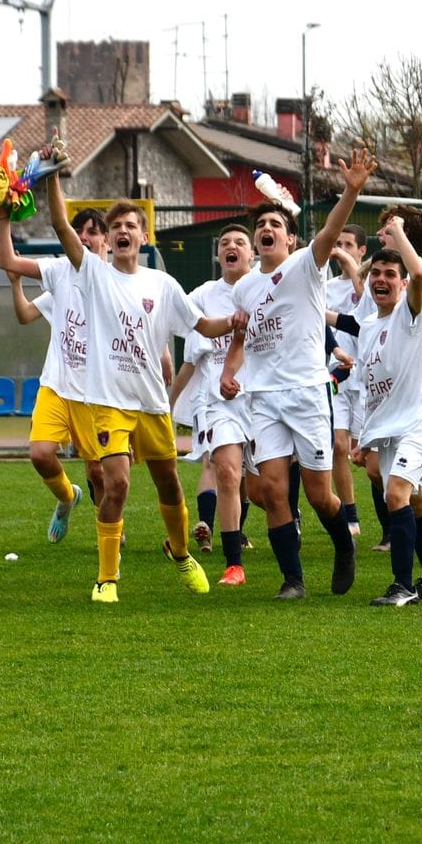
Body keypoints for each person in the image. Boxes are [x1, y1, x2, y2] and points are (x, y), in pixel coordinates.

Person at [45, 178, 240, 603]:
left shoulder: (162, 285)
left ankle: (182, 553)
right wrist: (52, 177)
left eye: (131, 225)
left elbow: (202, 325)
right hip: (109, 403)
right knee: (116, 485)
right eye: (116, 226)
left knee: (169, 483)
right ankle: (107, 579)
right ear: (109, 238)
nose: (122, 231)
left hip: (151, 401)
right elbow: (61, 225)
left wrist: (232, 323)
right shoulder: (93, 274)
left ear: (143, 235)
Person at [218, 149, 375, 600]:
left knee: (319, 492)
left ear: (290, 239)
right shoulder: (244, 288)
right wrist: (231, 373)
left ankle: (343, 544)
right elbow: (242, 340)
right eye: (260, 227)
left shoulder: (307, 265)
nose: (266, 230)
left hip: (307, 391)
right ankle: (294, 580)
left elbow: (329, 231)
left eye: (275, 226)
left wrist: (351, 189)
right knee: (271, 489)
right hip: (263, 396)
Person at [352, 213, 422, 606]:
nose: (381, 279)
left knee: (397, 494)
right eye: (376, 273)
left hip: (419, 422)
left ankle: (403, 585)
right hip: (391, 429)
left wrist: (396, 233)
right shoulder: (367, 328)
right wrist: (365, 439)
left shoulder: (409, 316)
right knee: (415, 501)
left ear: (403, 283)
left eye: (390, 274)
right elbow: (371, 391)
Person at [0, 207, 107, 543]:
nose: (84, 237)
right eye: (79, 231)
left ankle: (109, 532)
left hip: (97, 393)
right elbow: (22, 306)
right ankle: (67, 497)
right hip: (57, 386)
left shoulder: (115, 279)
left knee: (99, 471)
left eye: (92, 231)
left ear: (106, 240)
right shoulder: (60, 271)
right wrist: (2, 219)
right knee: (40, 454)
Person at [171, 221, 253, 585]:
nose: (231, 246)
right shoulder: (203, 294)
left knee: (270, 489)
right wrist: (165, 403)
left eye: (239, 241)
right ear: (218, 254)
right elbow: (170, 322)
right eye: (225, 243)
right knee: (225, 470)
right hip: (219, 400)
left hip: (268, 397)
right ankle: (234, 563)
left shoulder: (269, 287)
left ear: (252, 253)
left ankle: (327, 527)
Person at [324, 219, 371, 543]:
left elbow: (362, 298)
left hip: (369, 375)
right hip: (338, 372)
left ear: (361, 250)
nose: (339, 249)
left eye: (348, 245)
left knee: (371, 456)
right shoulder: (325, 288)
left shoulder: (372, 285)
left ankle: (392, 518)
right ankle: (350, 514)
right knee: (340, 446)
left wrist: (350, 264)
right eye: (336, 243)